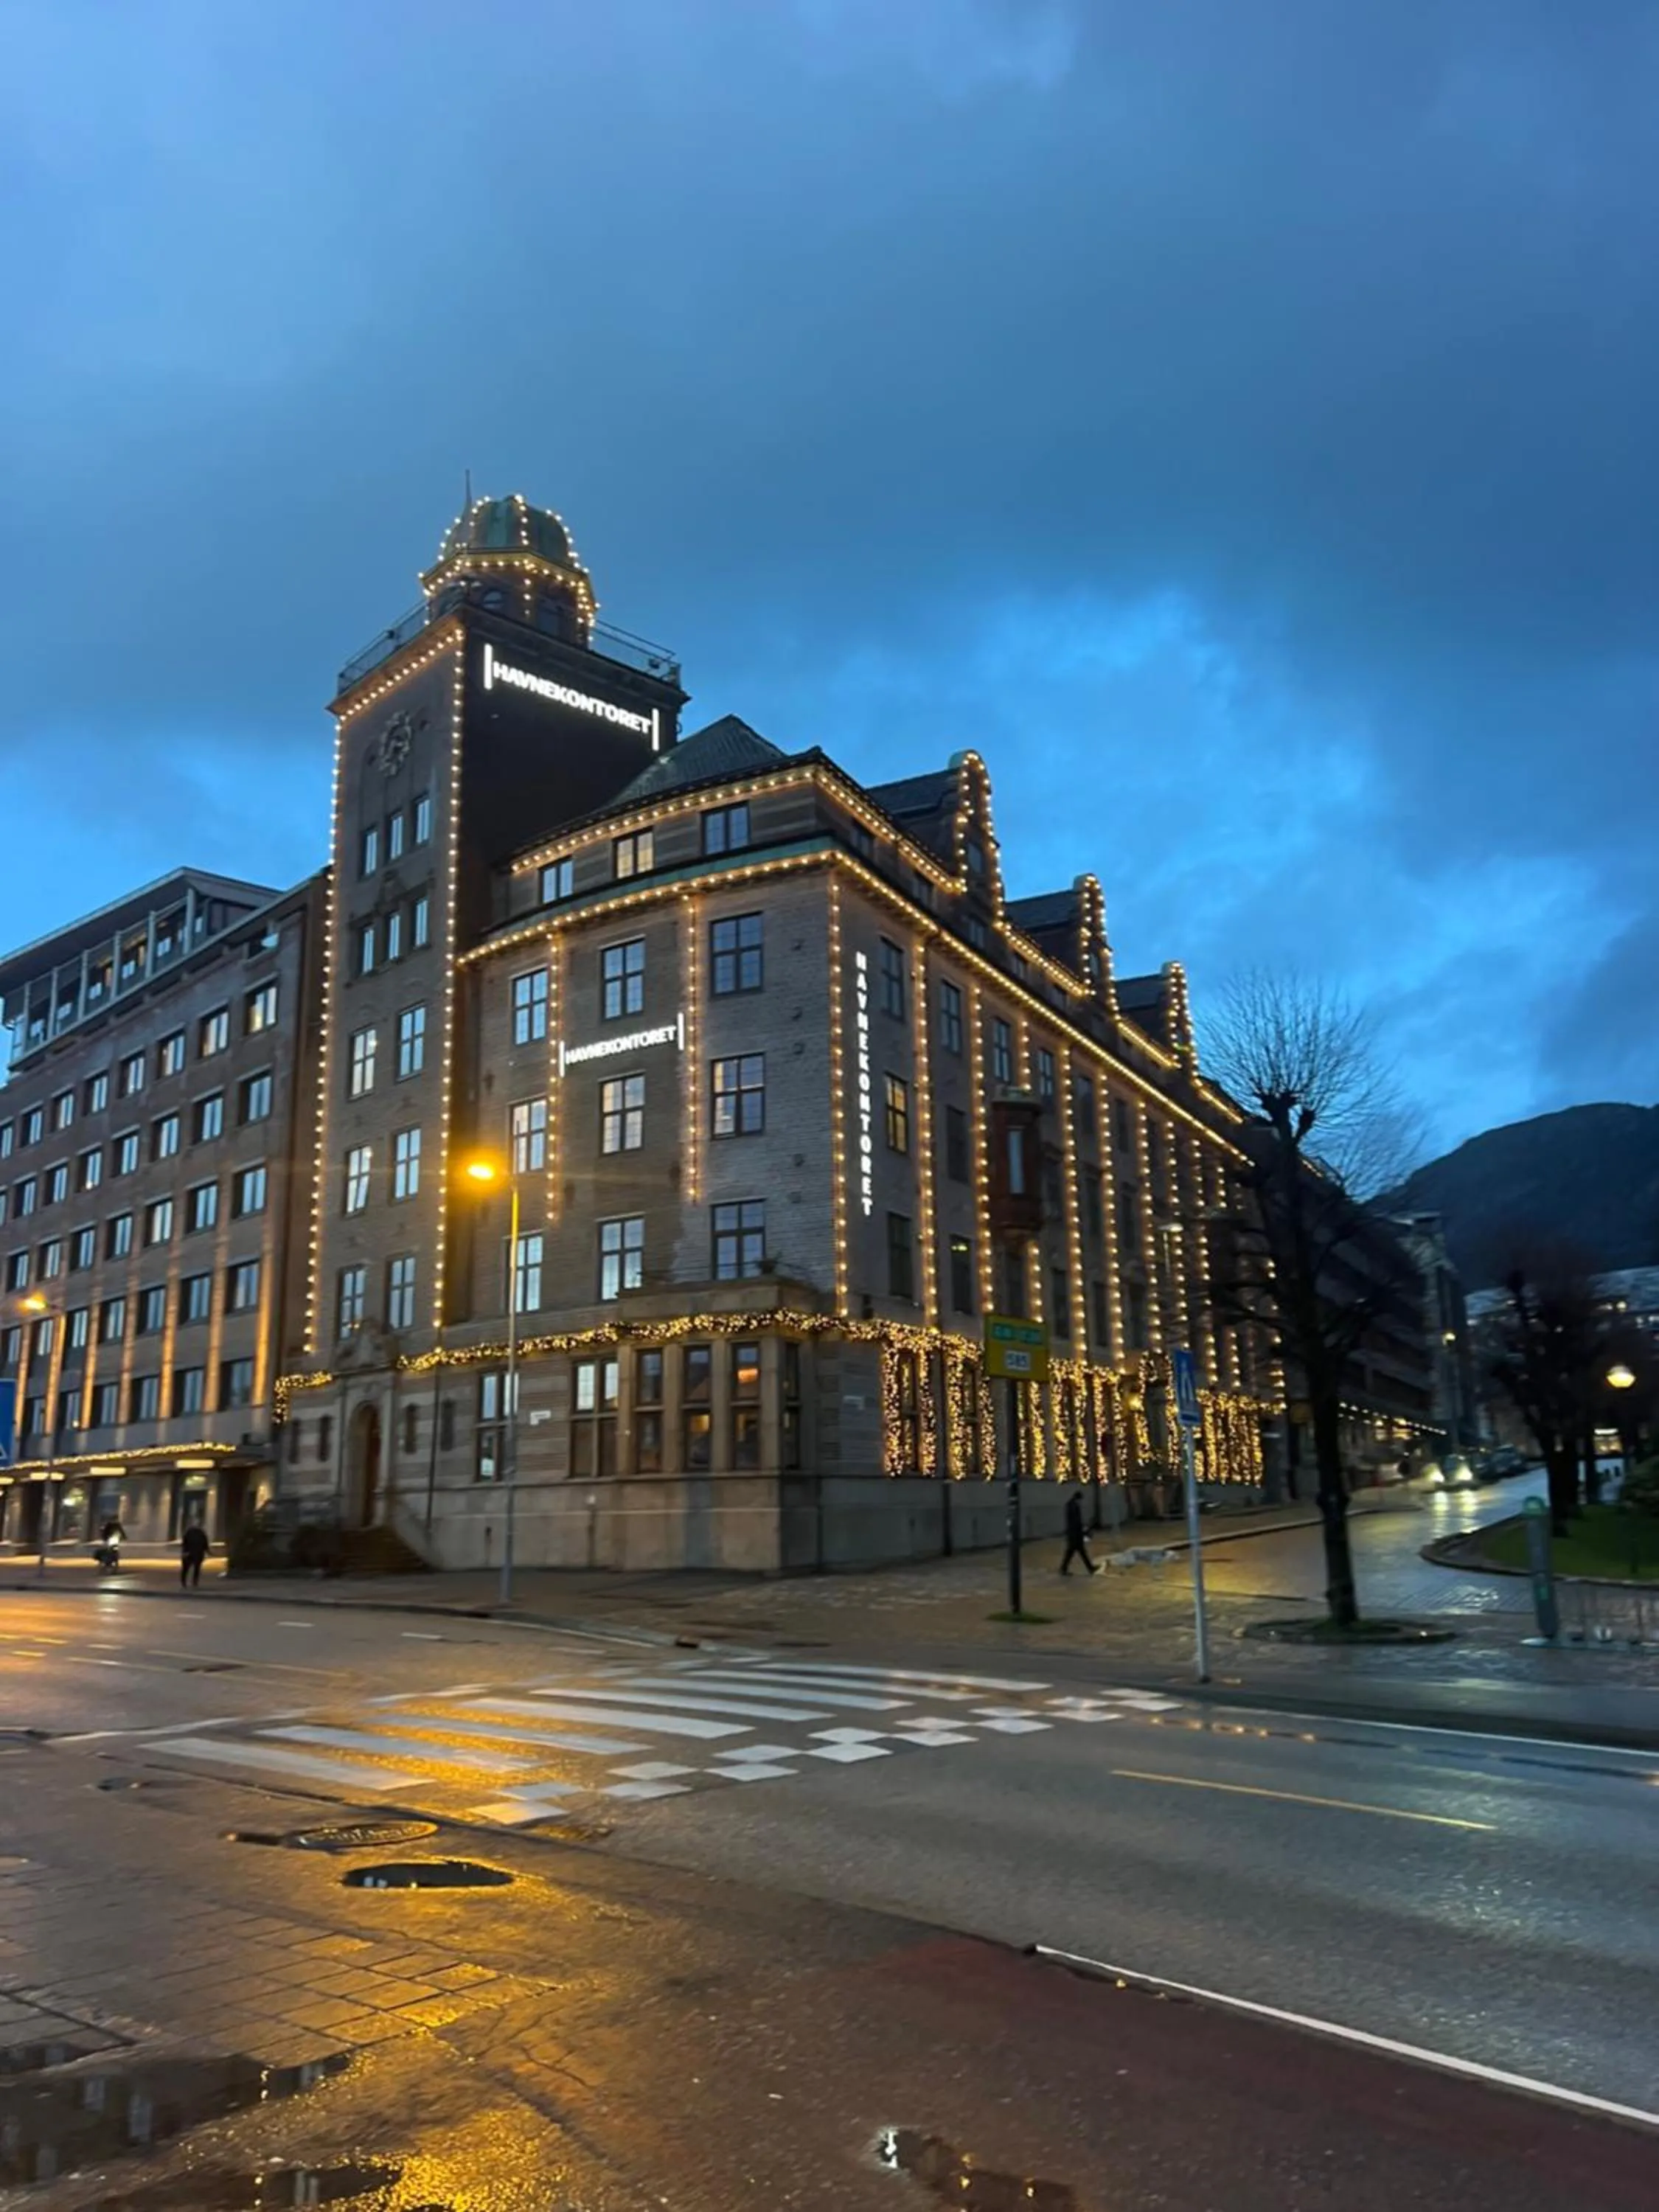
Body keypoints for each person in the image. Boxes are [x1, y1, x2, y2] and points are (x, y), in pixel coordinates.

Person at [1059, 1486, 1099, 1577]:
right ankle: (1089, 1568)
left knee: (1075, 1552)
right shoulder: (1074, 1506)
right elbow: (1076, 1521)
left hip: (1073, 1534)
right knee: (1075, 1552)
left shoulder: (1070, 1505)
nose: (1081, 1502)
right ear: (1078, 1499)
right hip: (1075, 1535)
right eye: (1080, 1500)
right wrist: (1083, 1530)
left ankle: (1065, 1568)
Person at [180, 1520, 210, 1589]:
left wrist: (185, 1552)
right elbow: (205, 1544)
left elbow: (184, 1543)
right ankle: (193, 1582)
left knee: (186, 1568)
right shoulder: (201, 1533)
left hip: (190, 1553)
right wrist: (207, 1551)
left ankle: (185, 1581)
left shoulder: (189, 1532)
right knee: (196, 1568)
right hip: (197, 1553)